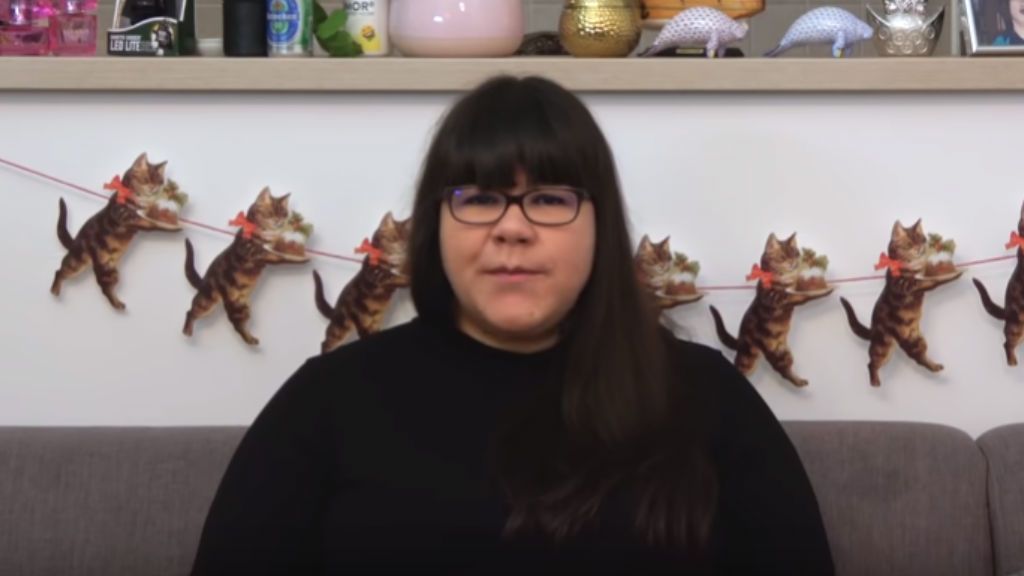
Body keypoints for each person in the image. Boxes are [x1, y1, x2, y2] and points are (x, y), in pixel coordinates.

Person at [190, 75, 834, 575]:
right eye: (479, 198)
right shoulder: (328, 401)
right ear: (436, 224)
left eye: (550, 198)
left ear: (601, 225)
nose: (512, 227)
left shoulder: (705, 397)